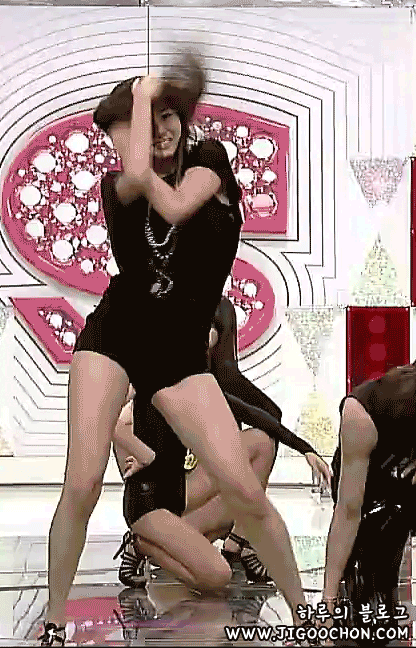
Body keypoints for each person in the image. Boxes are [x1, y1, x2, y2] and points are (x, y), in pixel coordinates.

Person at [42, 52, 308, 647]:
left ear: (184, 118)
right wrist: (142, 96)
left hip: (178, 351)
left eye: (168, 117)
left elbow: (180, 205)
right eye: (137, 126)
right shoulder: (118, 187)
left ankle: (308, 618)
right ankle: (54, 622)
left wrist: (154, 98)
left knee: (243, 489)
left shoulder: (210, 159)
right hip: (115, 334)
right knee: (81, 482)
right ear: (116, 140)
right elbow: (140, 177)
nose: (157, 131)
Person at [113, 298, 331, 591]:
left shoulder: (201, 379)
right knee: (215, 576)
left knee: (259, 451)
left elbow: (253, 412)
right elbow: (114, 419)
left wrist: (306, 449)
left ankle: (236, 542)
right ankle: (143, 544)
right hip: (156, 493)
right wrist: (144, 454)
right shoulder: (157, 370)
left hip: (183, 487)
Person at [322, 363, 416, 643]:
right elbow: (348, 511)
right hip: (367, 490)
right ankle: (361, 571)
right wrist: (327, 602)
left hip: (405, 481)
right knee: (373, 628)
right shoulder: (362, 412)